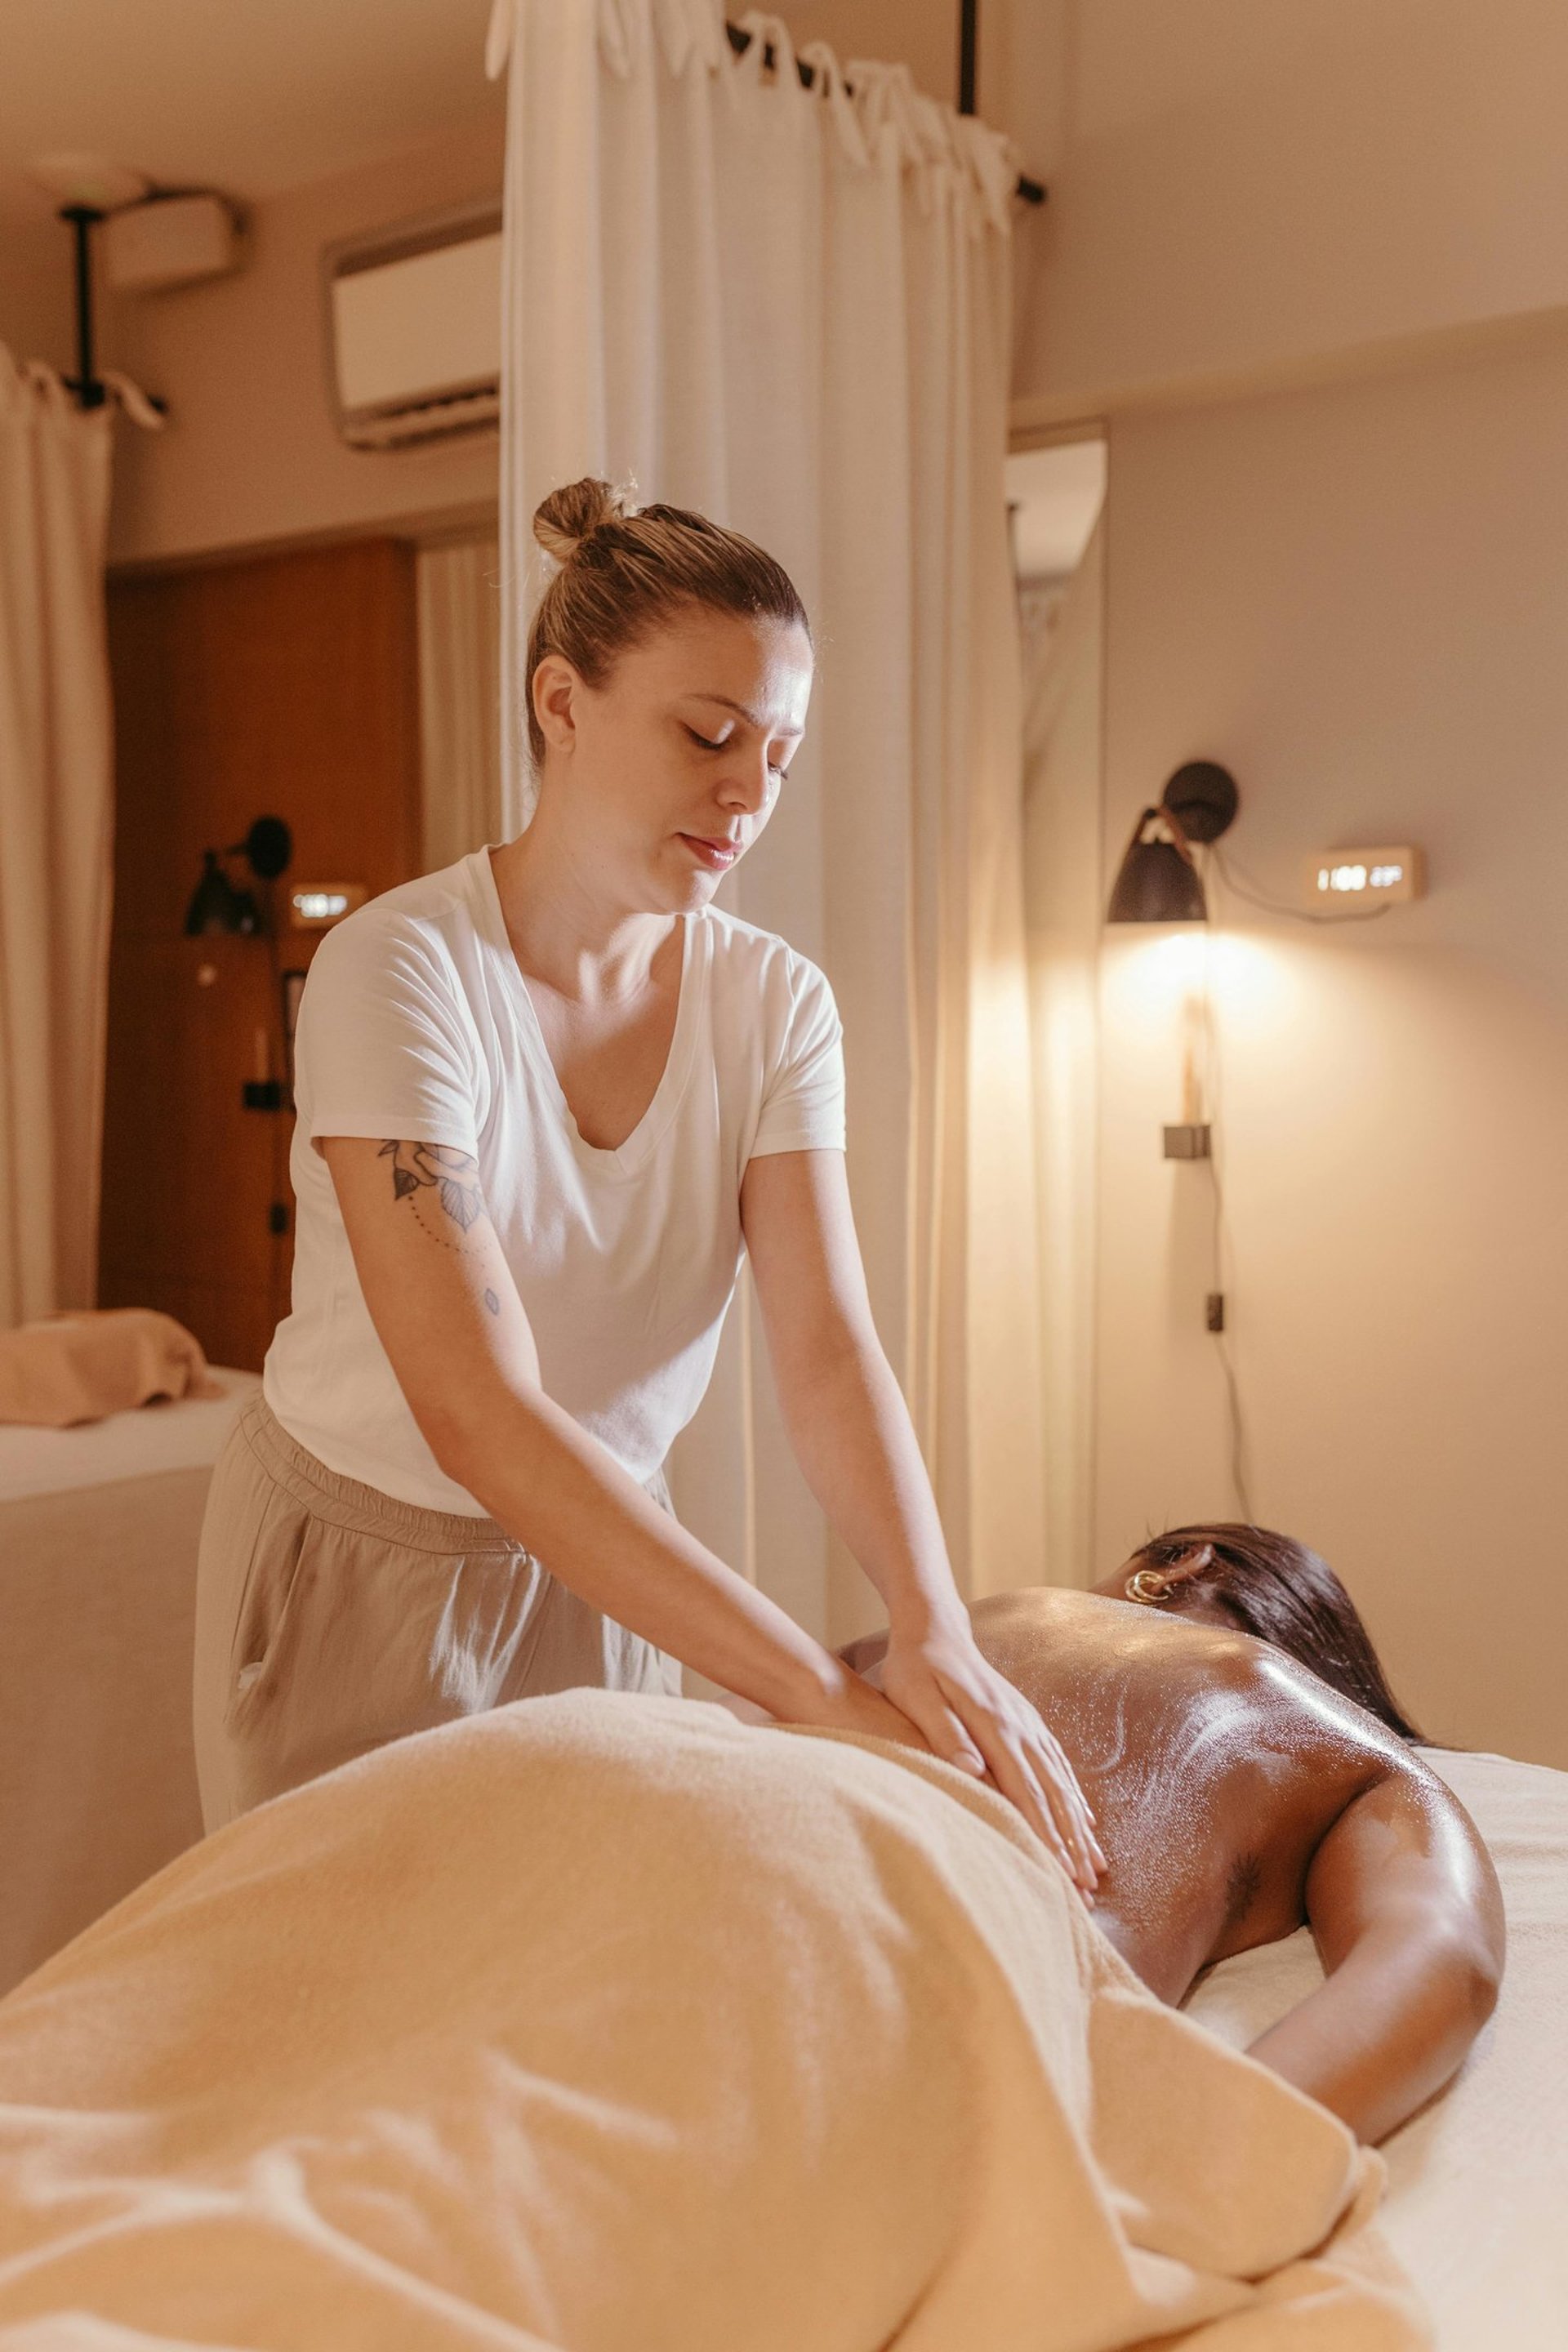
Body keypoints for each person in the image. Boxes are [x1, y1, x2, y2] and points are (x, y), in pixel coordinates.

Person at [190, 476, 1102, 1895]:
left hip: (607, 1567)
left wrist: (929, 1623)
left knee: (582, 2008)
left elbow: (824, 1345)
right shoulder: (402, 970)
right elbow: (477, 1411)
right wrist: (819, 1696)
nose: (751, 794)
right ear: (563, 701)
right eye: (709, 734)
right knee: (345, 2037)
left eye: (782, 756)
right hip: (363, 1565)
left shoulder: (773, 1005)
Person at [840, 1521, 1505, 2145]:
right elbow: (1443, 1960)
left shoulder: (953, 1629)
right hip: (917, 2037)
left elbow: (738, 1720)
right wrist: (1205, 2150)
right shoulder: (1322, 1734)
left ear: (1185, 1561)